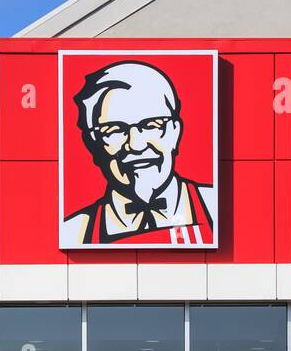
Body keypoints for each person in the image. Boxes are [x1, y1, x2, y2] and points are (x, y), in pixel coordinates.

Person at [62, 61, 215, 247]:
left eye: (151, 125)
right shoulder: (74, 233)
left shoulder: (215, 207)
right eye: (114, 130)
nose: (136, 145)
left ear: (175, 132)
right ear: (92, 144)